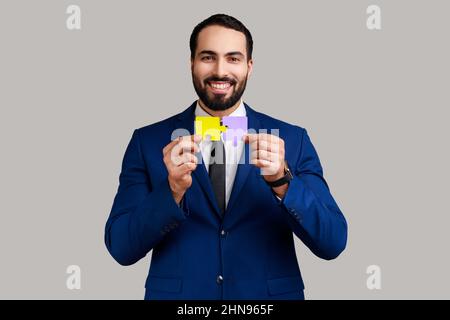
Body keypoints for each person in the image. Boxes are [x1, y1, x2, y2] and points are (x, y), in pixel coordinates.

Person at [105, 13, 347, 300]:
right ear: (191, 63)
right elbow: (121, 248)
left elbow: (332, 242)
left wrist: (284, 182)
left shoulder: (293, 140)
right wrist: (171, 192)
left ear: (249, 66)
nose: (220, 71)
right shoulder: (147, 141)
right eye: (208, 57)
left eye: (233, 58)